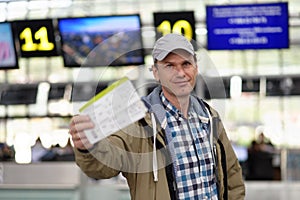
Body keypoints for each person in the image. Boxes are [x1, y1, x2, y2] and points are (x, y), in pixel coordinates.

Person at [69, 33, 245, 200]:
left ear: (196, 68)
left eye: (186, 64)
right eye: (169, 65)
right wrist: (88, 148)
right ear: (155, 72)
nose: (181, 73)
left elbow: (231, 173)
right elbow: (105, 166)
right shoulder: (138, 122)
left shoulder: (209, 116)